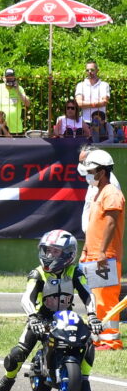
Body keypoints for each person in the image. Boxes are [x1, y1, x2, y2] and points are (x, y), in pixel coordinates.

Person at [0, 229, 100, 391]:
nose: (49, 255)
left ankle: (84, 382)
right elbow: (27, 298)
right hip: (41, 318)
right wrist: (33, 318)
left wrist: (92, 315)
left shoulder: (75, 272)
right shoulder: (38, 273)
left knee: (89, 342)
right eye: (47, 250)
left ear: (68, 254)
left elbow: (88, 294)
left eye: (55, 251)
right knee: (18, 353)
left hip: (66, 317)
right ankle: (7, 380)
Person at [78, 149, 124, 350]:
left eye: (91, 170)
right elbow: (93, 225)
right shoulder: (99, 192)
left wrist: (104, 251)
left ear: (101, 171)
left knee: (106, 297)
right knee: (97, 298)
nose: (88, 174)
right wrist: (87, 249)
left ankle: (111, 340)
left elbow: (111, 223)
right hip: (94, 253)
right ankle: (100, 338)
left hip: (106, 255)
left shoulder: (112, 193)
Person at [79, 145, 122, 237]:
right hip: (92, 239)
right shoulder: (94, 182)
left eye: (83, 162)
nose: (82, 166)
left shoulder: (111, 187)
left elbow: (110, 223)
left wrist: (101, 250)